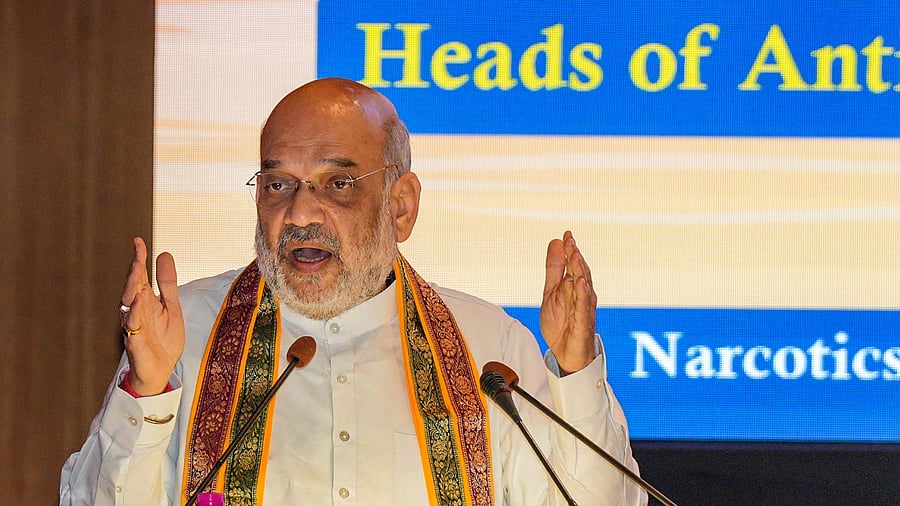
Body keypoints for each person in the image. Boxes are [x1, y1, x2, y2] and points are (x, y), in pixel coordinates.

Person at [60, 77, 646, 505]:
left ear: (401, 207)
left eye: (338, 184)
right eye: (278, 184)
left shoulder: (490, 351)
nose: (298, 213)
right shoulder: (180, 334)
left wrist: (574, 376)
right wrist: (146, 392)